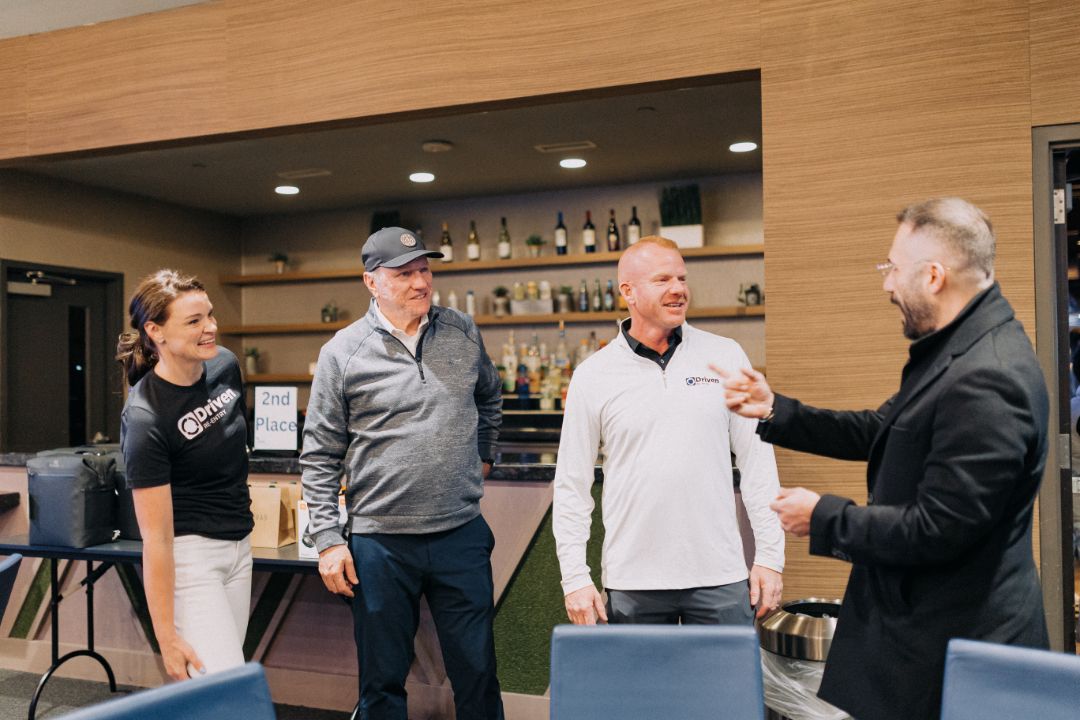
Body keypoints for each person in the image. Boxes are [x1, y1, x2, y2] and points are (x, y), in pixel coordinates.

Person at [720, 198, 1050, 720]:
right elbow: (881, 429)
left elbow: (941, 528)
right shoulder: (960, 348)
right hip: (928, 635)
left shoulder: (988, 376)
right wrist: (776, 409)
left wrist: (824, 516)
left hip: (958, 647)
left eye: (893, 268)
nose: (887, 284)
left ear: (934, 276)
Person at [301, 227, 504, 720]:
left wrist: (483, 454)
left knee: (478, 673)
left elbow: (489, 397)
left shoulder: (461, 330)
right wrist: (328, 541)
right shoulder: (342, 352)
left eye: (424, 270)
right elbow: (319, 453)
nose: (420, 282)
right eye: (404, 274)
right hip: (380, 543)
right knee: (382, 681)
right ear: (371, 282)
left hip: (460, 533)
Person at [553, 236, 784, 626]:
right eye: (662, 280)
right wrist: (574, 577)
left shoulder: (726, 355)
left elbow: (758, 464)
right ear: (628, 291)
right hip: (632, 580)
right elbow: (571, 484)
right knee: (637, 673)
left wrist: (771, 557)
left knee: (728, 671)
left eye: (681, 278)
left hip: (720, 575)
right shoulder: (593, 375)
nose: (678, 289)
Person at [117, 269, 253, 681]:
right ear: (155, 331)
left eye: (209, 315)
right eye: (194, 321)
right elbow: (156, 540)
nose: (210, 327)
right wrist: (166, 637)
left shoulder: (225, 365)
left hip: (240, 546)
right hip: (192, 559)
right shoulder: (145, 417)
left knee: (214, 688)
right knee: (225, 690)